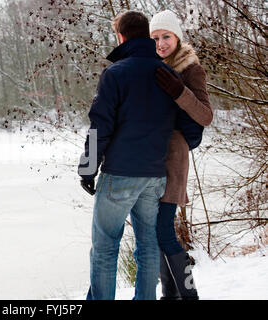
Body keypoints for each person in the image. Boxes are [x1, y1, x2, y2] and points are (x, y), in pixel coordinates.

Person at [78, 11, 188, 300]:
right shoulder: (169, 76)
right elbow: (186, 125)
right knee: (149, 246)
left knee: (105, 248)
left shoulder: (115, 73)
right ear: (147, 36)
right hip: (154, 176)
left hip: (120, 174)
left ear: (122, 37)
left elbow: (99, 127)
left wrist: (87, 169)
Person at [150, 10, 213, 300]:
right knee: (157, 230)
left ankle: (189, 296)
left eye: (166, 37)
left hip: (175, 156)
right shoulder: (150, 67)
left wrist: (179, 91)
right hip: (152, 156)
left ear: (177, 37)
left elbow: (205, 115)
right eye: (155, 38)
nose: (160, 43)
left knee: (162, 228)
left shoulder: (191, 69)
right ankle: (170, 295)